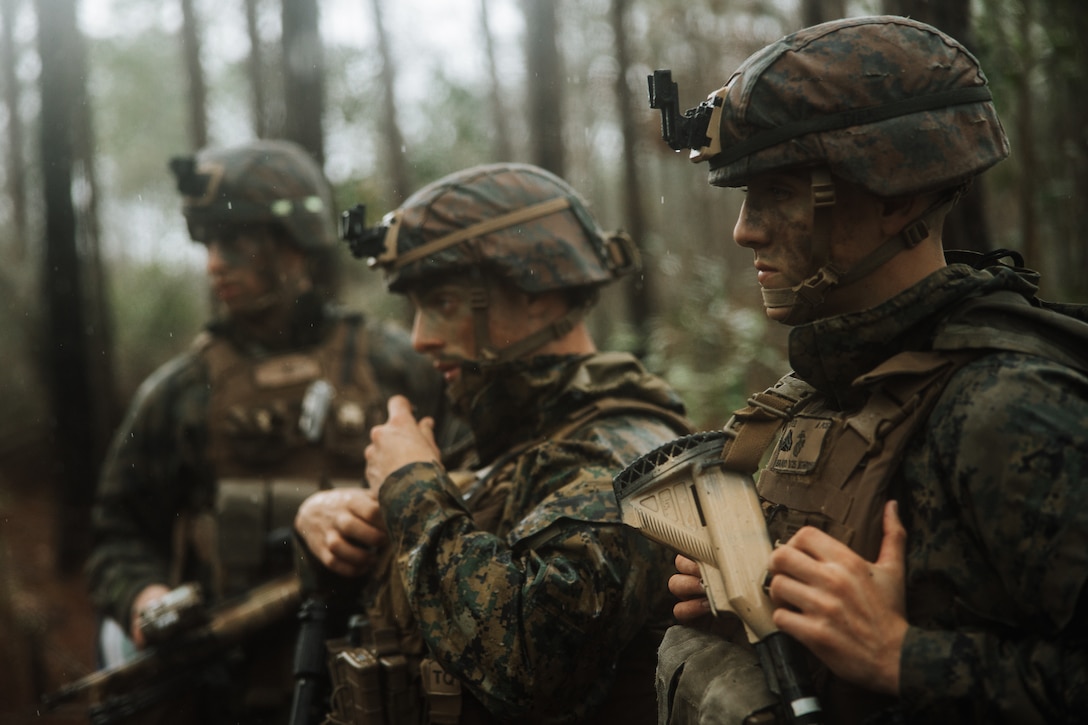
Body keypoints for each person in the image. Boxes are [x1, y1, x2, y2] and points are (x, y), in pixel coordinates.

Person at [646, 15, 1088, 725]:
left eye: (780, 193)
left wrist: (901, 655)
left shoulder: (1010, 406)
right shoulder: (825, 387)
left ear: (900, 196)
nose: (744, 229)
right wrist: (760, 606)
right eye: (743, 197)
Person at [292, 161, 695, 724]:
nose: (420, 338)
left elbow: (529, 665)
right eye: (416, 308)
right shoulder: (504, 438)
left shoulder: (625, 455)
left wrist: (410, 490)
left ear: (536, 294)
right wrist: (324, 528)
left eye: (446, 304)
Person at [84, 139, 465, 724]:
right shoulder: (180, 392)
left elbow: (481, 488)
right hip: (229, 686)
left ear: (296, 247)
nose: (215, 263)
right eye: (208, 245)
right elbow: (118, 534)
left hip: (385, 679)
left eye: (235, 244)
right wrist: (146, 598)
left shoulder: (401, 365)